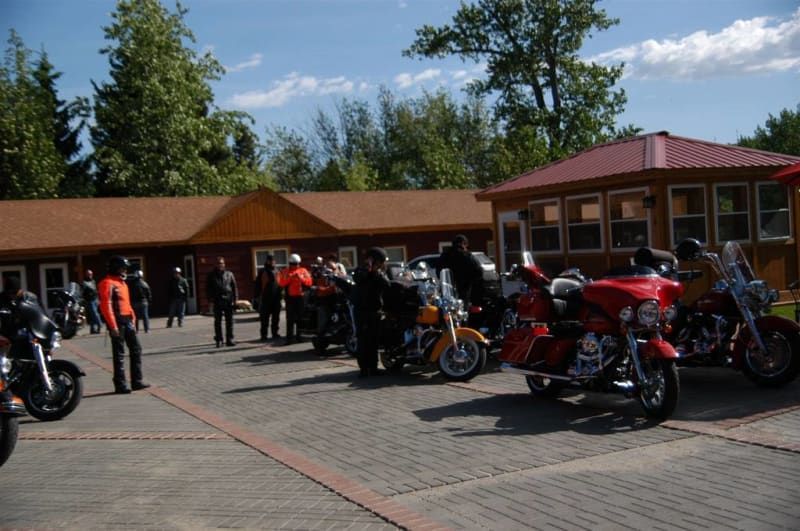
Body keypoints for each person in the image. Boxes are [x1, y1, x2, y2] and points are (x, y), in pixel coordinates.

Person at [98, 255, 149, 394]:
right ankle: (120, 384)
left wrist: (132, 317)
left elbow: (127, 303)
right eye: (122, 268)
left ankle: (137, 381)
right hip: (117, 322)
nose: (125, 271)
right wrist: (112, 325)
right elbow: (105, 306)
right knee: (119, 354)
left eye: (125, 268)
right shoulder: (107, 283)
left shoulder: (123, 283)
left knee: (136, 349)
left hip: (127, 320)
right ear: (115, 268)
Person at [352, 247, 391, 378]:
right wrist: (368, 269)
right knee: (363, 340)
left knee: (373, 341)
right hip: (362, 312)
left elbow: (387, 285)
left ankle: (373, 368)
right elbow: (358, 279)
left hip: (375, 311)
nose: (383, 264)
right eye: (381, 261)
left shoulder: (379, 273)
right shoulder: (360, 271)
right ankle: (363, 369)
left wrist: (376, 272)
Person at [438, 234, 483, 305]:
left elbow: (439, 271)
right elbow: (479, 271)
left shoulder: (445, 255)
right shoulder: (467, 255)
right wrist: (470, 281)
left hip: (448, 290)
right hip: (463, 290)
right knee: (464, 309)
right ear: (464, 244)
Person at [277, 253, 312, 345]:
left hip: (300, 297)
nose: (295, 266)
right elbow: (281, 283)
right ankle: (289, 339)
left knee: (300, 317)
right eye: (293, 264)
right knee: (290, 319)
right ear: (290, 263)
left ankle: (300, 336)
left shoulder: (303, 271)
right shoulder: (285, 271)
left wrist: (301, 278)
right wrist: (290, 278)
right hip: (290, 298)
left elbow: (309, 282)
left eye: (296, 264)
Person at [206, 257, 238, 348]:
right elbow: (208, 289)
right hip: (217, 300)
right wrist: (210, 300)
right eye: (219, 263)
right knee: (218, 322)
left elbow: (234, 287)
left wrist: (235, 299)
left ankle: (229, 339)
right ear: (216, 265)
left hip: (228, 300)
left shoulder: (229, 274)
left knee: (230, 321)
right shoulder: (211, 275)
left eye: (222, 263)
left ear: (224, 264)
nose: (221, 265)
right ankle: (219, 340)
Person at [253, 255, 282, 341]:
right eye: (270, 261)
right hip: (265, 299)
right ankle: (264, 335)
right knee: (264, 319)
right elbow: (257, 285)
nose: (272, 262)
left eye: (273, 261)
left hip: (276, 298)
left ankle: (275, 333)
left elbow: (281, 284)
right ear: (267, 261)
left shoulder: (278, 271)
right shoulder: (262, 272)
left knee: (276, 318)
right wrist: (256, 297)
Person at [81, 269, 102, 334]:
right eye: (89, 274)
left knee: (93, 315)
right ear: (86, 274)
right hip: (89, 300)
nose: (90, 275)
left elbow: (95, 290)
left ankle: (93, 329)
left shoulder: (93, 281)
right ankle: (100, 324)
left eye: (91, 274)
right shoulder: (84, 282)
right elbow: (83, 291)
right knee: (94, 314)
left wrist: (98, 299)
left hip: (95, 299)